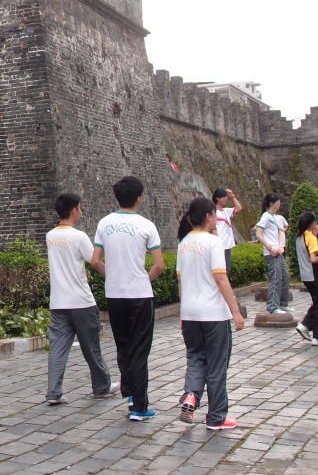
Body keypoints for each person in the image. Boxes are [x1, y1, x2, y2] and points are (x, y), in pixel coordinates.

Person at [92, 176, 164, 422]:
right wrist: (144, 279)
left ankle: (131, 395)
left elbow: (95, 260)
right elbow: (159, 264)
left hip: (114, 294)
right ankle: (140, 408)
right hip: (139, 294)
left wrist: (112, 275)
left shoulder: (104, 223)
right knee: (139, 349)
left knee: (123, 346)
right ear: (138, 198)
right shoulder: (146, 226)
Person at [176, 197, 245, 430]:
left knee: (195, 357)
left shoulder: (184, 243)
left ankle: (191, 395)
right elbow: (220, 278)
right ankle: (216, 417)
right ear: (208, 216)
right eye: (215, 214)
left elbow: (180, 280)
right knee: (217, 365)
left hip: (190, 314)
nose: (217, 218)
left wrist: (183, 313)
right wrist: (235, 311)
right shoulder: (214, 242)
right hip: (214, 314)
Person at [45, 193, 118, 405]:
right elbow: (95, 261)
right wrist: (113, 277)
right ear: (74, 210)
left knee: (58, 349)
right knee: (91, 347)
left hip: (58, 303)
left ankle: (54, 392)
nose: (81, 212)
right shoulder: (79, 237)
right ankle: (101, 387)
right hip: (81, 302)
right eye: (80, 208)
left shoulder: (50, 236)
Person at [294, 210, 318, 345]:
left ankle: (305, 325)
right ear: (311, 223)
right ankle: (317, 337)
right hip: (315, 274)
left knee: (317, 303)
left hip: (305, 275)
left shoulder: (300, 237)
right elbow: (313, 259)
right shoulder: (311, 238)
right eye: (315, 222)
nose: (316, 224)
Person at [256, 193, 290, 315]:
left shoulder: (275, 217)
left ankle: (282, 304)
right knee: (275, 279)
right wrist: (269, 247)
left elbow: (282, 231)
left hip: (278, 251)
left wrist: (281, 246)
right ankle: (272, 306)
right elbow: (259, 234)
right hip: (271, 252)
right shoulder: (266, 217)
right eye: (278, 202)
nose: (280, 204)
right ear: (271, 203)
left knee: (284, 277)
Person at [212, 188, 243, 276]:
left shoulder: (226, 211)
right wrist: (217, 242)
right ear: (217, 198)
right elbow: (213, 228)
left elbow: (239, 208)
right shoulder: (212, 211)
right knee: (220, 270)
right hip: (219, 244)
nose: (226, 199)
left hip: (227, 245)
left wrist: (232, 196)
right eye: (224, 197)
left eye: (226, 197)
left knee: (227, 270)